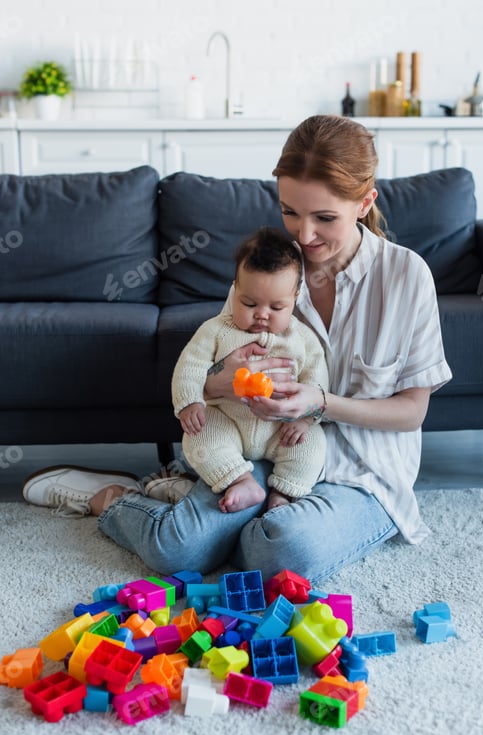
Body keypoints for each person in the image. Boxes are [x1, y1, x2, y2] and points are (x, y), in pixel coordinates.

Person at [22, 114, 452, 585]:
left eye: (324, 218)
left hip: (364, 477)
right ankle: (112, 497)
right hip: (264, 453)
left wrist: (321, 403)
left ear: (364, 202)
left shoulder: (406, 277)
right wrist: (216, 383)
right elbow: (213, 366)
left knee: (283, 550)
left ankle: (195, 503)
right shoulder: (271, 270)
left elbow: (412, 412)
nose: (304, 235)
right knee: (178, 548)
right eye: (290, 211)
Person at [171, 227, 328, 513]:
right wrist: (190, 401)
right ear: (235, 289)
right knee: (198, 436)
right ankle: (240, 480)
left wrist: (305, 420)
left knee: (312, 445)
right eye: (249, 303)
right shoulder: (216, 330)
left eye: (277, 306)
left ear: (295, 297)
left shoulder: (302, 339)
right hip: (227, 420)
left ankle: (283, 493)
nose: (261, 314)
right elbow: (189, 365)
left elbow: (317, 382)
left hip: (280, 428)